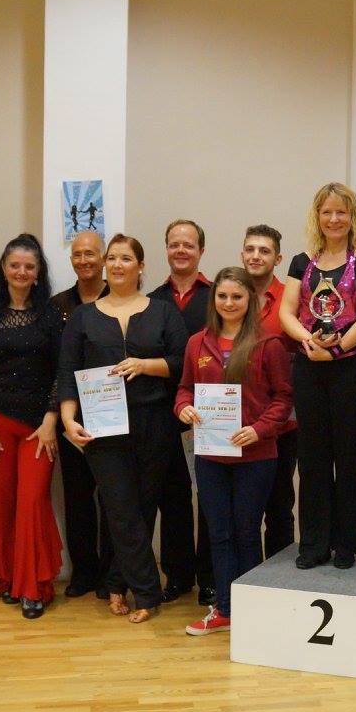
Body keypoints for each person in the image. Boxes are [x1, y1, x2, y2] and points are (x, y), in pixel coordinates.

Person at [57, 233, 188, 623]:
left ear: (140, 266)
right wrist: (68, 419)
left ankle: (116, 583)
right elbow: (67, 374)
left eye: (126, 258)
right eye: (111, 258)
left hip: (155, 424)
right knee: (120, 508)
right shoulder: (83, 317)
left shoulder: (163, 312)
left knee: (142, 508)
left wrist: (145, 365)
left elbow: (182, 362)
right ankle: (147, 592)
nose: (117, 264)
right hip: (103, 427)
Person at [175, 267, 294, 635]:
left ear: (250, 300)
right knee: (219, 533)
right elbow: (184, 389)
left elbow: (284, 398)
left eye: (237, 296)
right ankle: (225, 609)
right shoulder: (197, 343)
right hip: (210, 456)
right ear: (214, 299)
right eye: (223, 296)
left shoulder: (268, 344)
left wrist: (259, 430)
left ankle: (250, 608)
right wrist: (184, 408)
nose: (229, 303)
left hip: (255, 457)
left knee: (246, 532)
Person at [280, 183, 356, 569]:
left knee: (346, 455)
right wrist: (309, 342)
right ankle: (313, 544)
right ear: (317, 216)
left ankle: (346, 544)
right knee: (311, 458)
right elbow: (287, 312)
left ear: (352, 215)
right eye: (327, 212)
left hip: (351, 368)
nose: (334, 219)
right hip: (309, 366)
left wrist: (337, 349)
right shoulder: (300, 262)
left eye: (341, 211)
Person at [0, 234, 64, 619]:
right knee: (3, 500)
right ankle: (8, 577)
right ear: (4, 269)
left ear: (38, 272)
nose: (22, 272)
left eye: (29, 266)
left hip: (40, 426)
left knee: (32, 501)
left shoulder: (51, 316)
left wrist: (51, 420)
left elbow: (62, 372)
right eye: (15, 265)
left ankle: (32, 588)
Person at [146, 219, 214, 606]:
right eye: (175, 244)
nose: (181, 250)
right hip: (163, 411)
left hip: (210, 412)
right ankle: (178, 575)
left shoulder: (217, 295)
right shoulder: (151, 301)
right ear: (166, 250)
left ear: (201, 250)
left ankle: (209, 577)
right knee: (172, 495)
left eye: (189, 244)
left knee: (209, 496)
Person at [50, 231, 113, 599]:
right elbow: (55, 364)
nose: (84, 260)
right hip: (71, 412)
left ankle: (109, 575)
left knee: (112, 496)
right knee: (77, 496)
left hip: (112, 411)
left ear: (103, 257)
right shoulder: (57, 304)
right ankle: (83, 572)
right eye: (78, 254)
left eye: (91, 253)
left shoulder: (118, 297)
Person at [240, 224, 298, 558]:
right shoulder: (230, 296)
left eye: (264, 251)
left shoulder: (292, 298)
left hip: (281, 423)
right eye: (250, 249)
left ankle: (277, 578)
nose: (255, 256)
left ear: (277, 258)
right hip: (237, 420)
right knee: (242, 509)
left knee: (279, 505)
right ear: (242, 254)